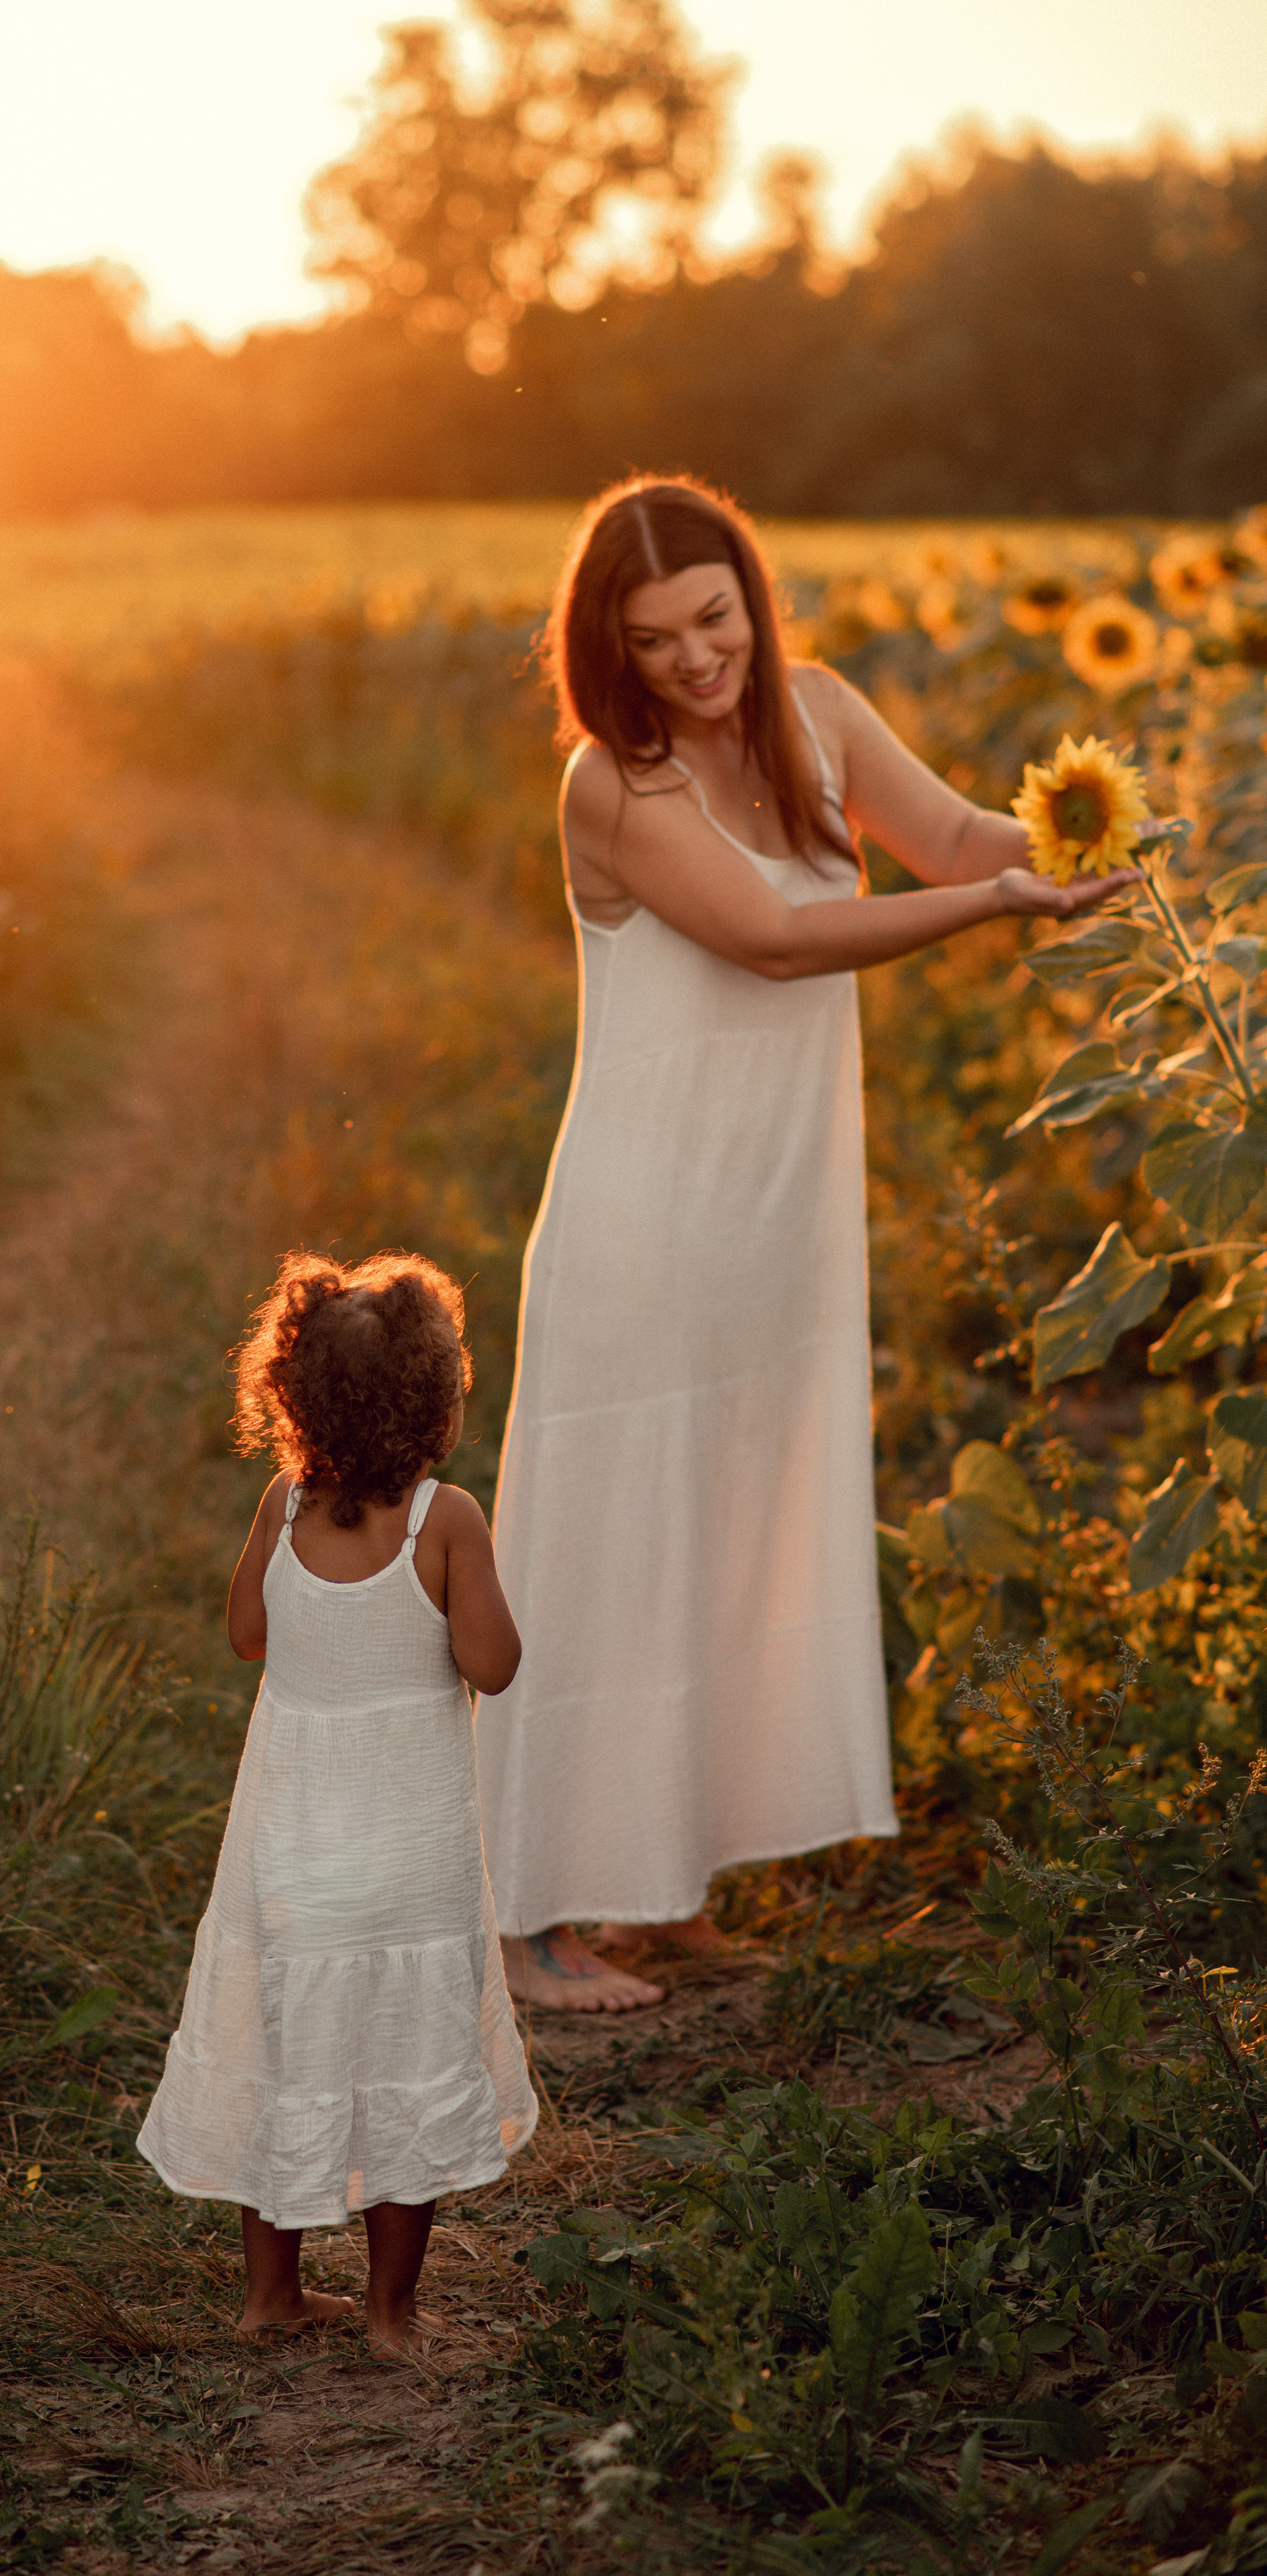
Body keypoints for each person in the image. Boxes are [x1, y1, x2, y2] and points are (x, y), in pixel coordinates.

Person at [475, 474, 1139, 2016]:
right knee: (613, 1542)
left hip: (774, 1216)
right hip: (648, 1215)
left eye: (713, 618)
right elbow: (773, 940)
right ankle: (533, 1919)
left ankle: (671, 1885)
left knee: (732, 1521)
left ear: (749, 597)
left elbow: (957, 831)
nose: (696, 659)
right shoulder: (608, 785)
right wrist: (986, 907)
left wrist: (1063, 848)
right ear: (607, 653)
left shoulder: (817, 712)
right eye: (652, 642)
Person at [136, 1250, 535, 2353]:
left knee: (284, 2052)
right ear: (437, 1402)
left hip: (290, 1852)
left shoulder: (286, 1502)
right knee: (406, 2057)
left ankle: (271, 2295)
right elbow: (494, 1665)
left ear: (291, 1399)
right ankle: (392, 2314)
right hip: (411, 1856)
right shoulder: (444, 1520)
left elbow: (248, 1637)